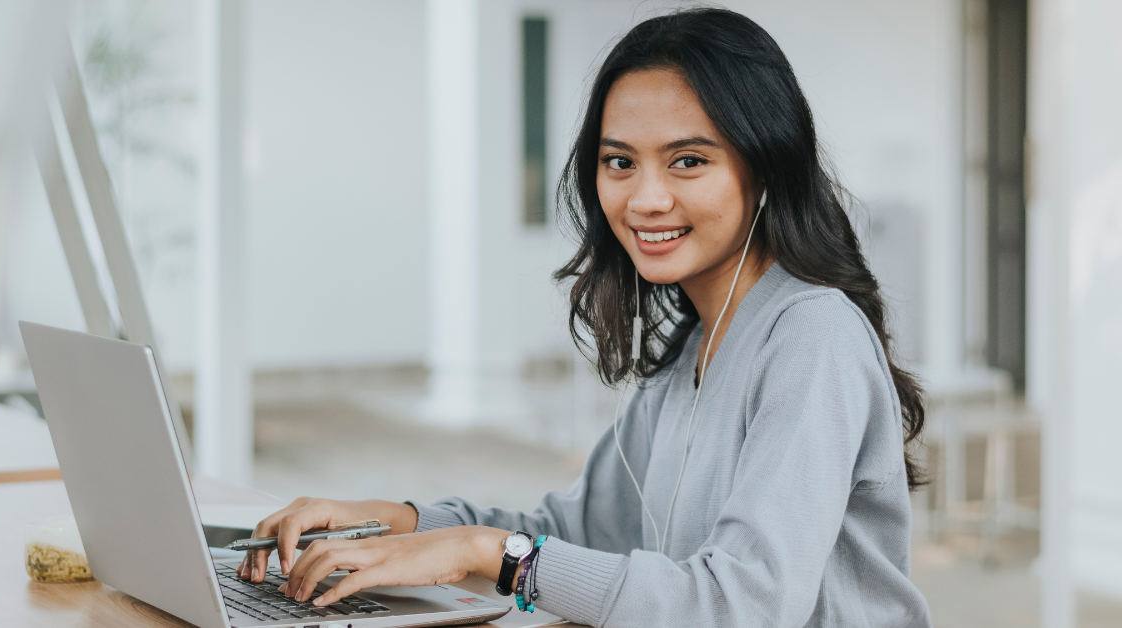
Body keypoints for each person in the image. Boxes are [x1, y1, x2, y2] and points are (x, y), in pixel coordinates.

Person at [238, 8, 932, 627]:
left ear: (766, 171)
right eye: (619, 162)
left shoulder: (812, 335)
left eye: (688, 160)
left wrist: (482, 553)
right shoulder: (696, 345)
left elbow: (741, 606)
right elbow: (571, 530)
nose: (645, 198)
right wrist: (398, 523)